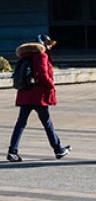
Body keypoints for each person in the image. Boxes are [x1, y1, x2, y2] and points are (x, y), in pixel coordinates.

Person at [7, 34, 71, 163]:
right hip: (38, 95)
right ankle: (58, 149)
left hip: (25, 94)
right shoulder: (41, 56)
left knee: (21, 123)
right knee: (47, 123)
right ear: (43, 44)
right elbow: (42, 74)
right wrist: (51, 85)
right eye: (49, 44)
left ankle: (12, 151)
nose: (50, 47)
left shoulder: (26, 56)